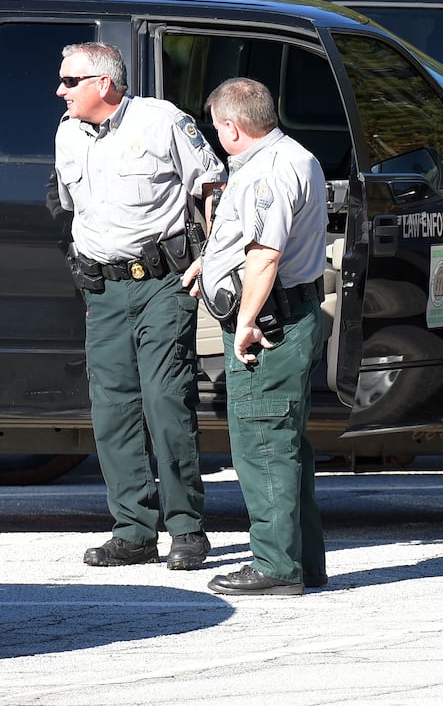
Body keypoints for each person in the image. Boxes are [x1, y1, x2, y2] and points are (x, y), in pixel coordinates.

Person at [53, 41, 223, 571]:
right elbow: (68, 206)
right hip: (103, 291)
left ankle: (187, 529)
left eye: (69, 81)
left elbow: (213, 186)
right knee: (112, 412)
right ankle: (132, 530)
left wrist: (211, 259)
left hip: (161, 285)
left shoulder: (161, 121)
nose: (60, 91)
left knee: (166, 403)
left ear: (103, 83)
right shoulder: (66, 133)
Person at [184, 77, 328, 596]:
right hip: (288, 314)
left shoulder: (269, 172)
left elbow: (266, 255)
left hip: (271, 325)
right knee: (286, 446)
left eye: (217, 125)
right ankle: (302, 561)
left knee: (263, 444)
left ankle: (275, 568)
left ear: (232, 127)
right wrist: (212, 260)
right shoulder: (291, 155)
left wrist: (244, 323)